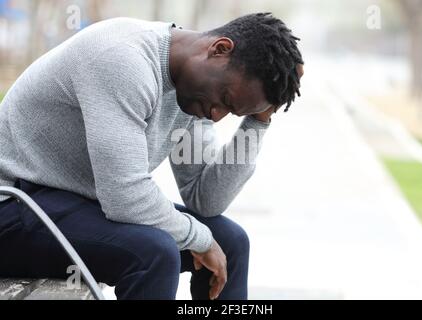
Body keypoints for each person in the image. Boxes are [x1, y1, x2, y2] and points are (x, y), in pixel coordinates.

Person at [0, 12, 304, 300]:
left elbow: (206, 199)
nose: (216, 115)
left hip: (76, 203)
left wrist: (258, 120)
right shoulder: (123, 60)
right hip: (14, 203)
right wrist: (200, 239)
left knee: (231, 241)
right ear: (219, 49)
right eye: (225, 100)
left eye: (231, 112)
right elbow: (126, 197)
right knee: (154, 252)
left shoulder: (195, 91)